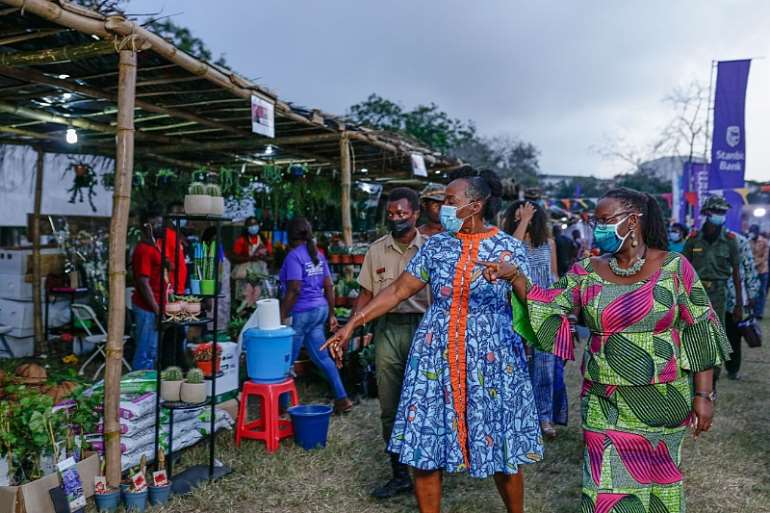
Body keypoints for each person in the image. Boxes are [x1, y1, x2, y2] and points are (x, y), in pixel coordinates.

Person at [480, 187, 729, 513]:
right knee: (603, 488)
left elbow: (699, 329)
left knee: (659, 489)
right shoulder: (587, 270)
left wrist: (704, 395)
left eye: (605, 220)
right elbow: (549, 303)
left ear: (633, 221)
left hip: (664, 399)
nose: (598, 228)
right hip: (604, 399)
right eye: (596, 221)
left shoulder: (675, 267)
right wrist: (516, 278)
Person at [324, 168, 542, 513]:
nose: (442, 208)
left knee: (502, 449)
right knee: (424, 446)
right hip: (434, 357)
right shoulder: (437, 246)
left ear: (475, 205)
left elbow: (535, 303)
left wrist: (513, 275)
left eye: (450, 201)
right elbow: (397, 290)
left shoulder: (508, 247)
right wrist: (352, 324)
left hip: (492, 361)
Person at [351, 187, 431, 499]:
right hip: (388, 329)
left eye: (402, 214)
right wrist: (354, 329)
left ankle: (429, 469)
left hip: (425, 328)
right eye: (392, 214)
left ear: (415, 214)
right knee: (390, 404)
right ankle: (399, 474)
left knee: (425, 401)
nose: (396, 219)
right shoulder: (376, 250)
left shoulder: (432, 248)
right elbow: (366, 295)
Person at [502, 200, 567, 438]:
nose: (522, 221)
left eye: (527, 217)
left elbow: (553, 276)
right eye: (518, 217)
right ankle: (517, 417)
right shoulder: (505, 243)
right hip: (512, 311)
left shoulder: (548, 244)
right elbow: (509, 252)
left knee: (544, 368)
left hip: (543, 310)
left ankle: (545, 418)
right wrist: (524, 221)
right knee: (515, 367)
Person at [278, 217, 352, 413]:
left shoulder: (294, 256)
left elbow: (294, 289)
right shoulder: (317, 254)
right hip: (319, 310)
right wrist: (331, 313)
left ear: (289, 235)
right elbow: (329, 286)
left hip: (301, 313)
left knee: (286, 360)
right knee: (323, 358)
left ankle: (283, 406)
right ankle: (342, 398)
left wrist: (280, 316)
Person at [682, 195, 742, 385]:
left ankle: (712, 379)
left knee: (717, 335)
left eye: (723, 212)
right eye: (717, 211)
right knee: (693, 332)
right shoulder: (693, 239)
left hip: (719, 293)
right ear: (707, 213)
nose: (721, 215)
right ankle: (693, 373)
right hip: (695, 293)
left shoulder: (730, 240)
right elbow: (682, 267)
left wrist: (740, 304)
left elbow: (736, 273)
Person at [130, 209, 166, 370]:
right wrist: (157, 309)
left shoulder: (156, 248)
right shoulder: (144, 250)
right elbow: (143, 283)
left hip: (156, 305)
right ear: (145, 226)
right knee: (145, 350)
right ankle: (138, 388)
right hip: (148, 308)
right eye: (154, 224)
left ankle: (149, 387)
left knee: (153, 349)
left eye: (160, 223)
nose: (158, 227)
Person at [723, 229, 760, 381]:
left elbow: (749, 268)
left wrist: (752, 293)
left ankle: (732, 369)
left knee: (733, 335)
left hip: (734, 297)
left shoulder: (739, 241)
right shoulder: (699, 239)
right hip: (710, 295)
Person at [231, 216, 272, 292]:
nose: (253, 227)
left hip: (261, 274)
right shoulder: (241, 241)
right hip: (245, 275)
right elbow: (234, 258)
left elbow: (271, 257)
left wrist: (263, 257)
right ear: (246, 227)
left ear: (258, 226)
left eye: (255, 224)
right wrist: (249, 258)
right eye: (250, 225)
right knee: (245, 299)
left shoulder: (264, 240)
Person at [748, 224, 769, 319]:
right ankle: (751, 311)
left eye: (753, 232)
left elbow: (765, 257)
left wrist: (755, 263)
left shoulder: (764, 241)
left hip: (762, 271)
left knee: (761, 292)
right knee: (751, 291)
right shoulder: (748, 241)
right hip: (751, 271)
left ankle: (759, 313)